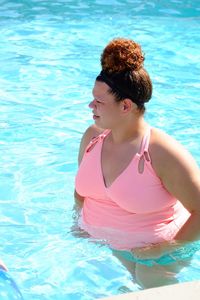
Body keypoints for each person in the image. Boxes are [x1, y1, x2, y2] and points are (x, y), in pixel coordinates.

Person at [74, 38, 200, 288]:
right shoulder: (92, 137)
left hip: (154, 256)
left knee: (147, 277)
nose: (91, 106)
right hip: (108, 244)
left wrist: (166, 249)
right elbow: (81, 193)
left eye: (99, 101)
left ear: (126, 106)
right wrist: (77, 224)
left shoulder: (161, 152)